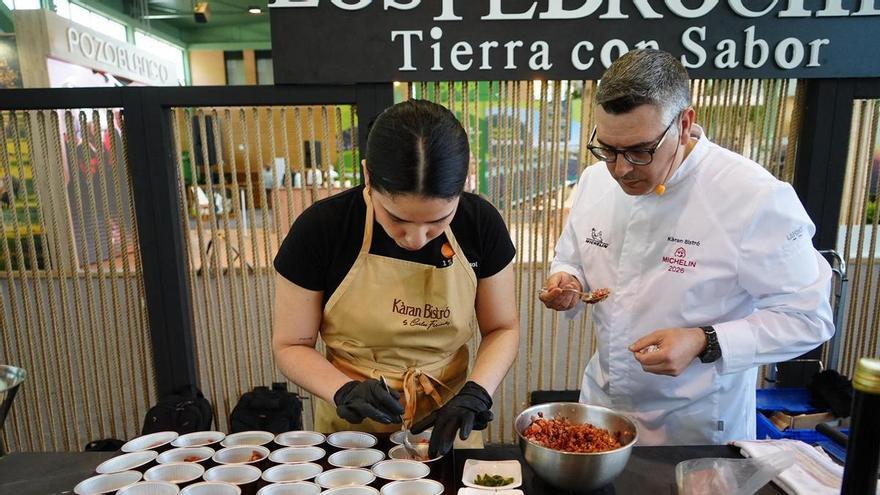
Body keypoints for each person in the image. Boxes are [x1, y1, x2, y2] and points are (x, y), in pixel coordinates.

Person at [539, 49, 834, 445]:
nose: (621, 169)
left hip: (696, 423)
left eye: (640, 151)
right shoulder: (595, 181)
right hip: (604, 408)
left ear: (684, 123)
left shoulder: (754, 197)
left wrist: (704, 340)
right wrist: (568, 280)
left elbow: (808, 318)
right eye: (608, 149)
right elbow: (572, 255)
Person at [273, 99, 519, 457]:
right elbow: (291, 344)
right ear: (368, 177)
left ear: (463, 185)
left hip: (447, 422)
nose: (416, 239)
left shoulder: (480, 223)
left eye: (438, 220)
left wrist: (477, 392)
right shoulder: (322, 229)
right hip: (351, 433)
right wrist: (343, 390)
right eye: (397, 219)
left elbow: (502, 327)